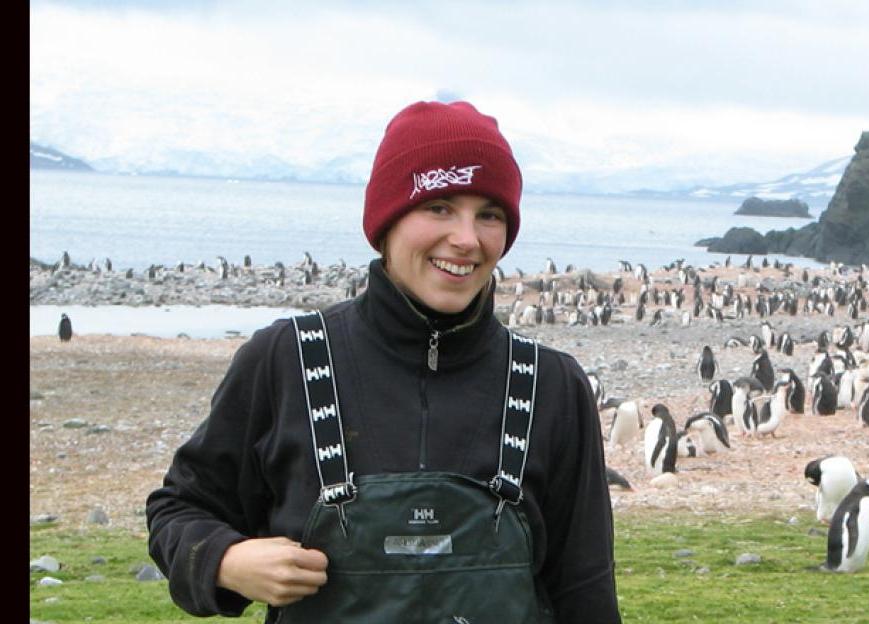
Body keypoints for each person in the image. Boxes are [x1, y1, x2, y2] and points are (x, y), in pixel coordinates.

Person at [146, 100, 620, 623]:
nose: (466, 239)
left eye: (489, 214)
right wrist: (224, 559)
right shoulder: (286, 361)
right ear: (386, 222)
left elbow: (586, 589)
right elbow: (179, 509)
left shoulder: (552, 385)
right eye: (439, 207)